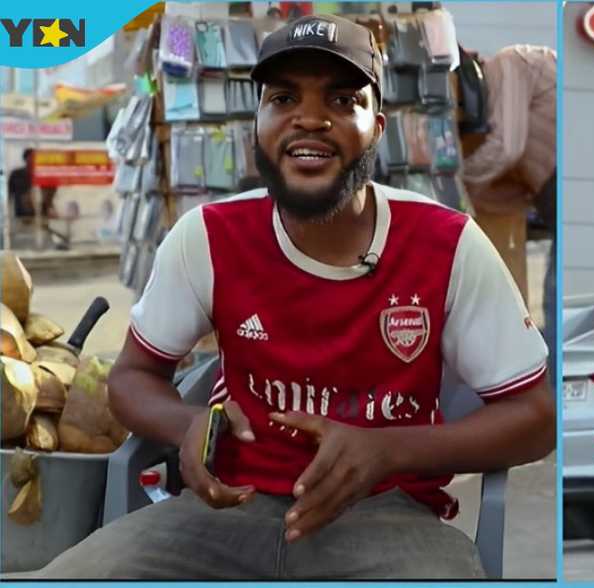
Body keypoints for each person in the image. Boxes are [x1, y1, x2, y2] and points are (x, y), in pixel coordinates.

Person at [33, 15, 554, 580]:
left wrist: (390, 450)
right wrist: (188, 425)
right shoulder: (207, 236)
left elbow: (535, 418)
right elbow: (133, 377)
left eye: (341, 98)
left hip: (387, 519)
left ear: (377, 127)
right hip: (226, 509)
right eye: (283, 98)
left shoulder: (448, 244)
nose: (310, 118)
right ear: (257, 125)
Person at [459, 44, 557, 389]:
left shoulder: (508, 62)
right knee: (549, 302)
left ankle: (548, 414)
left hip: (561, 193)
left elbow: (506, 146)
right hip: (552, 200)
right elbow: (508, 195)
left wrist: (456, 177)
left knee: (554, 307)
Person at [7, 148, 35, 219]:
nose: (33, 159)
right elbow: (9, 193)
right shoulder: (16, 173)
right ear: (25, 158)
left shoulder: (43, 174)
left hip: (40, 213)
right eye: (31, 156)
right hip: (21, 213)